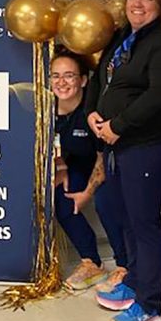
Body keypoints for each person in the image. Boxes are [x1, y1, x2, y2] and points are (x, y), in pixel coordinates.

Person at [85, 0, 161, 321]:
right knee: (125, 217)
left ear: (160, 3)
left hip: (147, 145)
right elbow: (100, 81)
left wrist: (118, 125)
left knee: (144, 223)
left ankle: (150, 306)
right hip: (117, 145)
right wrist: (94, 114)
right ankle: (136, 281)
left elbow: (158, 95)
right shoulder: (124, 38)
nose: (137, 5)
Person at [51, 51, 127, 291]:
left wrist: (87, 193)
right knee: (62, 198)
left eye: (69, 76)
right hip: (71, 165)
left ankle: (125, 265)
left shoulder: (93, 112)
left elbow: (103, 157)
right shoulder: (45, 109)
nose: (61, 82)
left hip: (104, 164)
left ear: (83, 80)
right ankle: (91, 263)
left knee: (107, 202)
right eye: (55, 76)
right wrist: (60, 168)